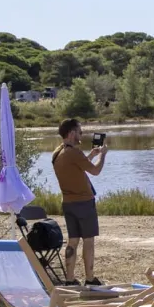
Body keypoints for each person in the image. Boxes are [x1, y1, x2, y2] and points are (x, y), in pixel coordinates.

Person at [52, 118, 106, 286]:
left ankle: (69, 279)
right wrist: (103, 155)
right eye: (80, 132)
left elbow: (76, 167)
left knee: (73, 241)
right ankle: (89, 278)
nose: (81, 135)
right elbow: (95, 171)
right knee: (88, 240)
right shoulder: (74, 152)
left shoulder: (58, 152)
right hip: (84, 202)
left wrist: (91, 155)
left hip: (68, 203)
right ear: (72, 133)